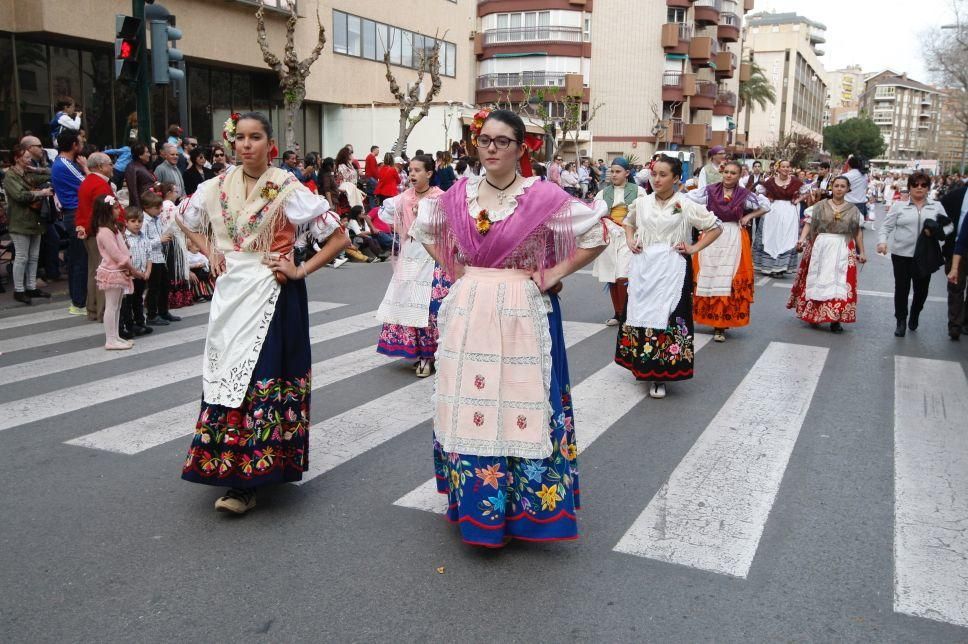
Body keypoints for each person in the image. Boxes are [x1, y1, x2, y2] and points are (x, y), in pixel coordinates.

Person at [413, 109, 608, 546]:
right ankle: (478, 507)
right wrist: (454, 268)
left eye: (503, 141)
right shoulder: (458, 194)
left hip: (524, 308)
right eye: (485, 140)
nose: (492, 149)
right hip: (471, 307)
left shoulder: (543, 197)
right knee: (472, 398)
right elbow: (424, 228)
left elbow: (596, 235)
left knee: (523, 396)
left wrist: (555, 272)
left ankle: (527, 512)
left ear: (522, 149)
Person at [177, 111, 348, 514]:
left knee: (262, 377)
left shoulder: (287, 186)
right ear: (231, 142)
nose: (246, 145)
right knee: (226, 374)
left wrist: (300, 268)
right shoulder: (214, 186)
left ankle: (248, 480)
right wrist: (210, 250)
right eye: (240, 138)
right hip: (231, 293)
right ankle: (228, 467)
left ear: (269, 144)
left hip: (275, 292)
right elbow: (181, 217)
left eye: (255, 137)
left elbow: (338, 236)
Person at [616, 154, 722, 399]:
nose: (656, 179)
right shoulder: (642, 203)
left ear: (676, 178)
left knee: (669, 317)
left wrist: (694, 249)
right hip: (645, 269)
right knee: (641, 315)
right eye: (654, 174)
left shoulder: (685, 204)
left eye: (663, 175)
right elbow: (628, 222)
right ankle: (642, 367)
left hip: (672, 269)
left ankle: (661, 375)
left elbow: (715, 226)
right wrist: (631, 239)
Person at [375, 154, 448, 377]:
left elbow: (449, 225)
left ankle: (429, 355)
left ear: (429, 173)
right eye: (411, 170)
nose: (413, 174)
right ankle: (418, 352)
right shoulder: (403, 198)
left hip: (432, 255)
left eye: (418, 170)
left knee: (428, 306)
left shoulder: (440, 198)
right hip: (409, 254)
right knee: (406, 303)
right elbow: (383, 214)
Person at [686, 160, 770, 342]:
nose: (729, 175)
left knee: (727, 277)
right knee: (708, 274)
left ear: (739, 176)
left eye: (733, 173)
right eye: (726, 172)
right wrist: (701, 219)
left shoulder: (744, 194)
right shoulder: (709, 190)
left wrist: (749, 215)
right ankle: (709, 317)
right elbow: (688, 201)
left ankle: (721, 325)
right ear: (722, 173)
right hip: (711, 234)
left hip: (733, 235)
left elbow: (766, 206)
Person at [878, 171, 952, 337]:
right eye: (915, 185)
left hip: (925, 255)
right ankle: (901, 320)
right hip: (901, 254)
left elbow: (949, 228)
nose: (919, 188)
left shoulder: (936, 206)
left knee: (921, 291)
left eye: (923, 185)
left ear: (928, 188)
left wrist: (936, 230)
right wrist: (882, 242)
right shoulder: (899, 206)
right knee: (901, 289)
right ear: (909, 187)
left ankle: (915, 312)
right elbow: (886, 227)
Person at [788, 176, 866, 333]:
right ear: (832, 187)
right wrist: (802, 240)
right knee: (818, 279)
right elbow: (808, 224)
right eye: (836, 185)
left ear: (848, 189)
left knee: (841, 283)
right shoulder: (820, 206)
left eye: (842, 186)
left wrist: (862, 251)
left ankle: (835, 319)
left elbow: (857, 231)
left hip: (843, 246)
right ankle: (814, 314)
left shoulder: (853, 210)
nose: (839, 188)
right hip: (821, 245)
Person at [591, 157, 647, 326]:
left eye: (618, 171)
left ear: (627, 173)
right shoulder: (602, 193)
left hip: (629, 236)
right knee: (612, 276)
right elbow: (596, 215)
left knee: (624, 275)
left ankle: (627, 313)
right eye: (612, 172)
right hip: (609, 236)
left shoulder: (639, 191)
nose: (614, 175)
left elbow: (644, 216)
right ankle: (618, 313)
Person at [3, 144, 54, 305]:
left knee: (33, 257)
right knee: (22, 256)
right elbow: (19, 195)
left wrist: (38, 169)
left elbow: (51, 174)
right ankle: (19, 290)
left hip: (33, 220)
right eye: (26, 157)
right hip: (19, 221)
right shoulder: (10, 176)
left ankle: (31, 287)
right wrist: (41, 193)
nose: (29, 159)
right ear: (17, 159)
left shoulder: (28, 173)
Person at [93, 195, 143, 350]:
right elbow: (116, 254)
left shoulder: (112, 228)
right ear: (107, 210)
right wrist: (132, 269)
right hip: (112, 271)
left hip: (119, 270)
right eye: (115, 208)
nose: (118, 210)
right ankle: (110, 339)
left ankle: (115, 337)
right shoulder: (105, 232)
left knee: (117, 305)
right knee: (112, 305)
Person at [75, 152, 118, 322]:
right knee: (104, 271)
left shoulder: (89, 181)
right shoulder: (100, 185)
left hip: (89, 231)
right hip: (99, 231)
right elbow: (107, 211)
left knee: (94, 270)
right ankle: (102, 311)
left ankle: (93, 308)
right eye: (109, 163)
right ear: (100, 167)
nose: (112, 166)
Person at [50, 130, 89, 316]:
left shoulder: (62, 163)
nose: (82, 144)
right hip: (75, 214)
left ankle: (79, 300)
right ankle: (79, 301)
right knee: (80, 259)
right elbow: (89, 183)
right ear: (74, 145)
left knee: (77, 258)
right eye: (80, 142)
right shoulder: (66, 164)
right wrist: (87, 167)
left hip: (72, 213)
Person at [754, 159, 803, 276]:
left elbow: (806, 192)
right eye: (783, 167)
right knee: (771, 237)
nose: (786, 169)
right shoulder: (770, 181)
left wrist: (798, 200)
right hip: (773, 211)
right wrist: (767, 198)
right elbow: (759, 192)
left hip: (789, 211)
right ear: (778, 168)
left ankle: (781, 267)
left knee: (786, 237)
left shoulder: (795, 181)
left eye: (788, 167)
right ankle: (768, 266)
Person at [140, 188, 180, 326]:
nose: (160, 210)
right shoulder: (143, 222)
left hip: (160, 256)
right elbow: (142, 243)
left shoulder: (156, 219)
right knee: (154, 287)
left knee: (165, 285)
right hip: (151, 259)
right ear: (146, 207)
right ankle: (152, 315)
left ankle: (164, 311)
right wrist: (160, 240)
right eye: (157, 207)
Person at [941, 179, 968, 340]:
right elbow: (940, 215)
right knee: (956, 286)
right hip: (956, 249)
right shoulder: (955, 196)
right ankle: (955, 325)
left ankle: (965, 321)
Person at [121, 207, 153, 339]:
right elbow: (124, 258)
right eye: (133, 221)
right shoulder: (124, 239)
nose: (137, 224)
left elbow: (149, 255)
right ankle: (129, 325)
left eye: (139, 221)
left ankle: (140, 322)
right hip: (130, 276)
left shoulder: (143, 237)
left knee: (138, 300)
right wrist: (133, 272)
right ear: (126, 222)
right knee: (128, 302)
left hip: (141, 274)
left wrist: (148, 271)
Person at [124, 143, 156, 209]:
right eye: (147, 152)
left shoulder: (142, 166)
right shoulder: (132, 167)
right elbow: (133, 191)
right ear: (140, 155)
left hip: (149, 203)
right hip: (141, 206)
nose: (149, 155)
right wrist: (138, 209)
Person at [843, 155, 870, 225]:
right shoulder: (865, 176)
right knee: (857, 229)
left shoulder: (846, 176)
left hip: (847, 204)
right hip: (861, 205)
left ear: (849, 164)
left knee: (845, 228)